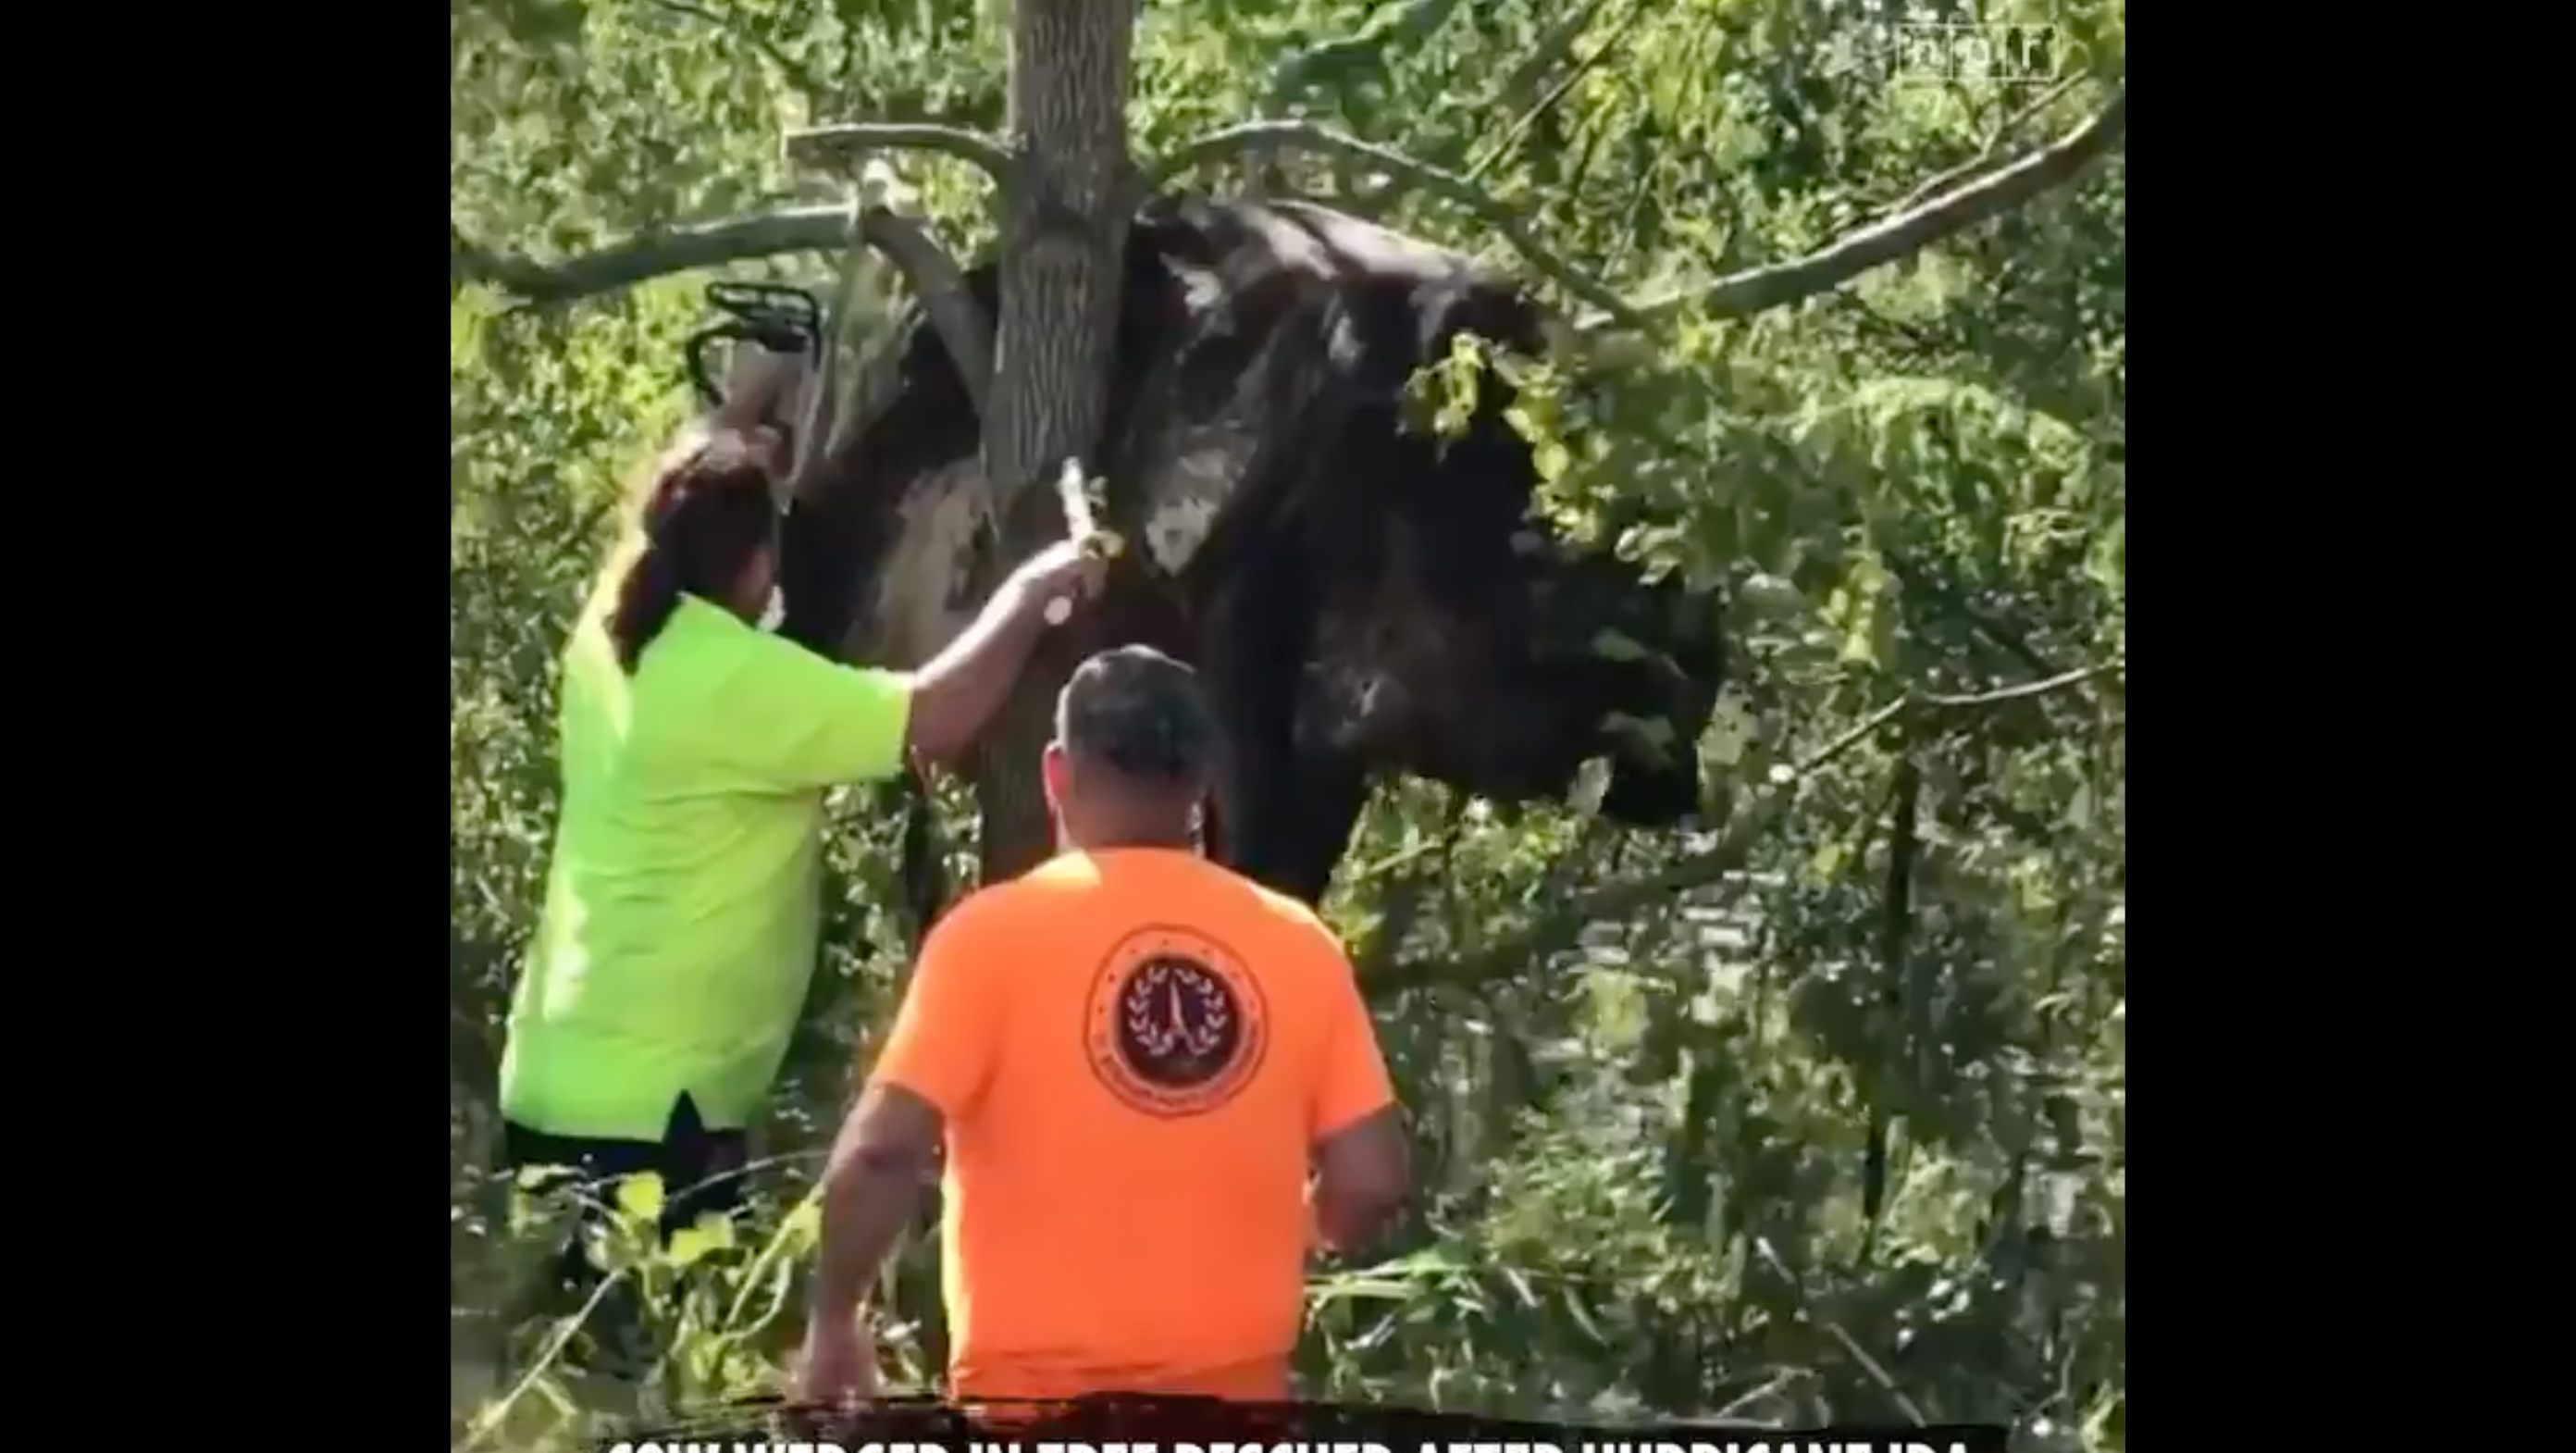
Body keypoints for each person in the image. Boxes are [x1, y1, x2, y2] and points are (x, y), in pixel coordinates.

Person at [496, 355, 1108, 1255]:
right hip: (654, 1118)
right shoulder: (738, 682)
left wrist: (746, 410)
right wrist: (1032, 591)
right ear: (750, 563)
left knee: (565, 1375)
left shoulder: (617, 623)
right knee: (655, 1375)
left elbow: (680, 481)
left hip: (555, 1076)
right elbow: (933, 716)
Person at [794, 645, 1413, 1407]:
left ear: (1058, 773)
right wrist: (1311, 1232)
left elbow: (884, 1151)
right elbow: (1374, 1178)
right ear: (1201, 783)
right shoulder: (1297, 942)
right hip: (1233, 1410)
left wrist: (833, 1322)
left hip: (1033, 1412)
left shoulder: (992, 936)